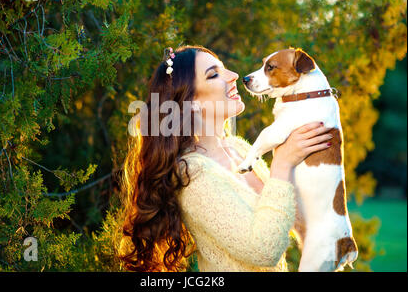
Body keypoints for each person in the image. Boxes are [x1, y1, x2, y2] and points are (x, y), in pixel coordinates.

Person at [119, 45, 334, 272]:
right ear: (191, 102)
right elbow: (264, 250)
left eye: (225, 69)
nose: (233, 76)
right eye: (214, 74)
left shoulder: (239, 148)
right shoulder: (193, 175)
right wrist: (282, 163)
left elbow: (286, 219)